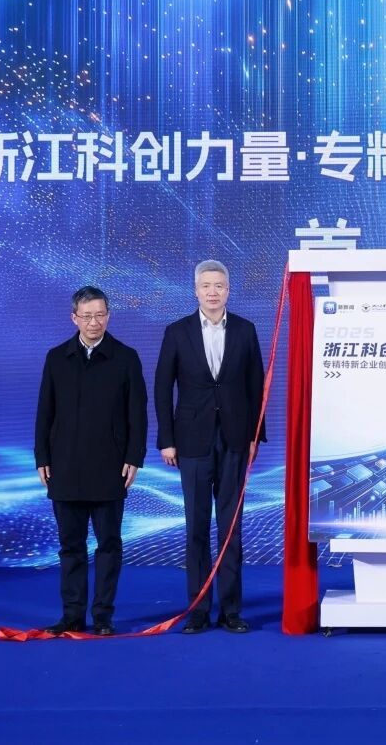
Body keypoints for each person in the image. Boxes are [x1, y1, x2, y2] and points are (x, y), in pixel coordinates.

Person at [155, 260, 266, 634]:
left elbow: (256, 385)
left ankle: (231, 610)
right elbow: (162, 388)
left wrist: (255, 436)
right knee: (197, 527)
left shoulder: (246, 330)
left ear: (228, 290)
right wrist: (167, 440)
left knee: (231, 528)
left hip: (235, 439)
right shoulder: (177, 332)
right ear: (196, 290)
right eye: (206, 285)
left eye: (219, 285)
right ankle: (199, 610)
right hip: (191, 441)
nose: (212, 292)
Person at [34, 286, 147, 636]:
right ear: (74, 318)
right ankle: (72, 615)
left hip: (110, 467)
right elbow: (44, 412)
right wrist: (42, 456)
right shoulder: (57, 358)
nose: (94, 322)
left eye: (100, 315)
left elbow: (138, 414)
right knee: (71, 546)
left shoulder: (126, 358)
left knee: (109, 545)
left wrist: (134, 456)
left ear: (108, 316)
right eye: (86, 316)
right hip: (64, 466)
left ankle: (102, 616)